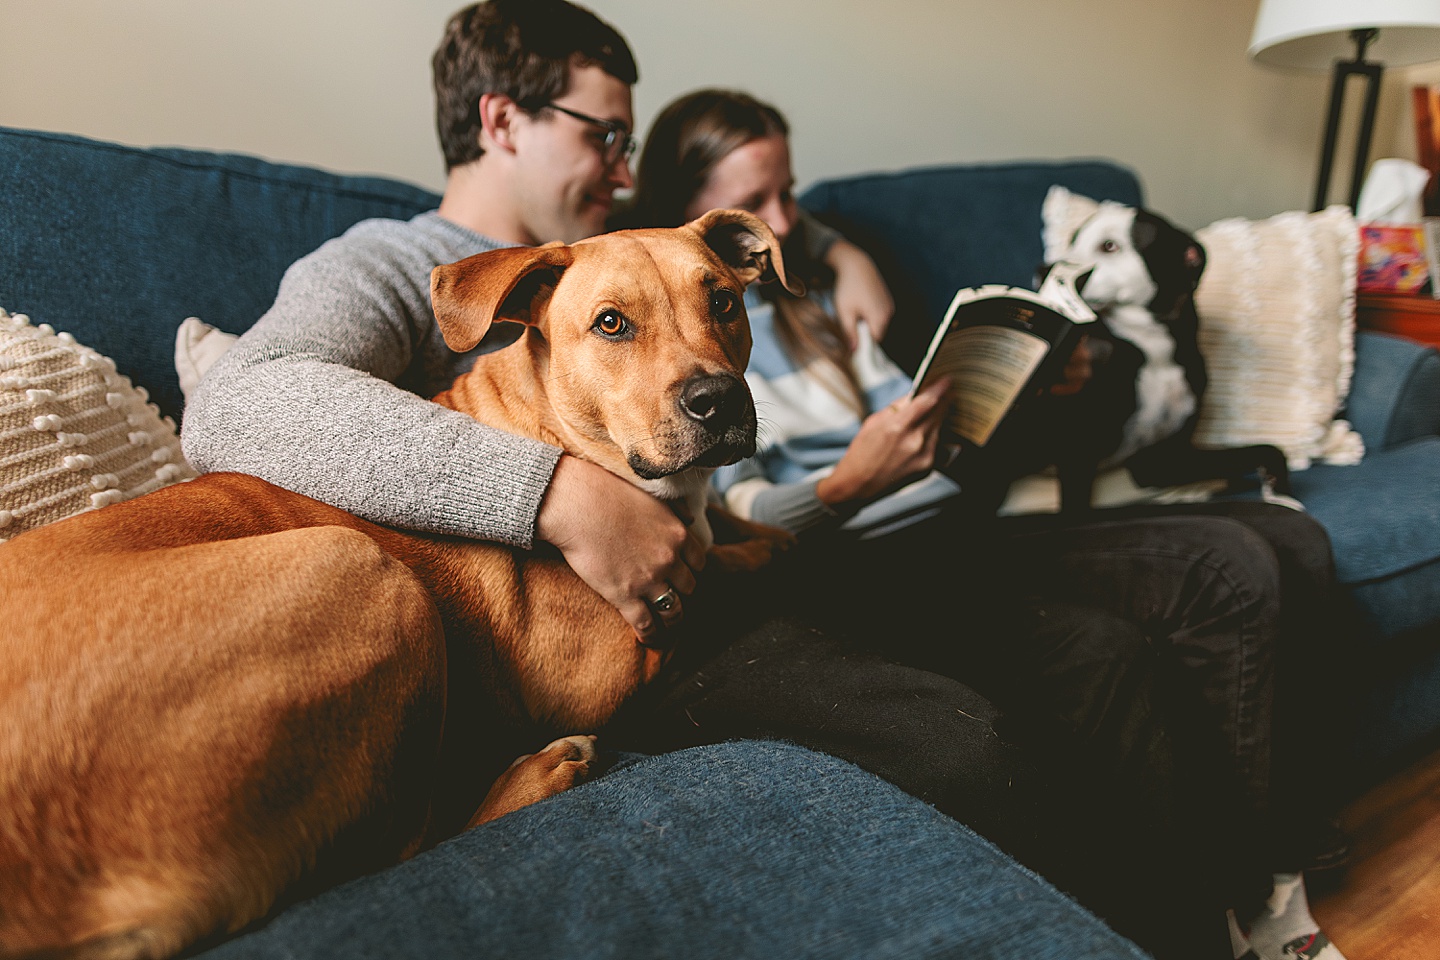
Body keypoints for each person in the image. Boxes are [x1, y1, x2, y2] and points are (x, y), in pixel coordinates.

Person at [177, 5, 1323, 956]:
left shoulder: (642, 251)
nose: (627, 171)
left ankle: (1238, 914)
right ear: (501, 121)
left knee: (1131, 634)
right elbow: (240, 403)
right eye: (607, 138)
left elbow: (741, 255)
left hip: (720, 548)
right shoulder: (389, 266)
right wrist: (559, 495)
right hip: (593, 605)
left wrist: (837, 259)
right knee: (977, 730)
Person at [618, 87, 1355, 960]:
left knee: (1292, 539)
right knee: (1219, 570)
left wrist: (1018, 391)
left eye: (790, 192)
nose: (787, 219)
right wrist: (848, 484)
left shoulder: (810, 290)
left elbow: (910, 397)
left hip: (956, 500)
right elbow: (736, 517)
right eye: (761, 200)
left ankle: (1265, 880)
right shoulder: (685, 354)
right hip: (863, 538)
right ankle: (1241, 899)